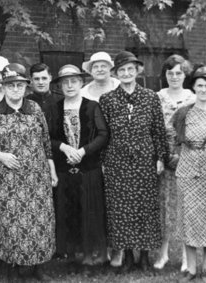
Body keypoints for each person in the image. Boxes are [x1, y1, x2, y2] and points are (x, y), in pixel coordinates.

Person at [0, 63, 58, 281]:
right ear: (4, 87)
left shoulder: (34, 109)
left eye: (19, 85)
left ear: (25, 87)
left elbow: (46, 141)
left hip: (35, 177)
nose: (15, 89)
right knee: (10, 222)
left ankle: (37, 266)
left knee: (38, 221)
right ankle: (12, 268)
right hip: (5, 180)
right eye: (11, 85)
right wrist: (0, 155)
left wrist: (51, 168)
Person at [99, 51, 168, 273]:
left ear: (137, 71)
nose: (127, 73)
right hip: (116, 161)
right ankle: (128, 256)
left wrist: (160, 157)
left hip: (145, 160)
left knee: (145, 208)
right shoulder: (107, 99)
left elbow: (158, 130)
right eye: (122, 70)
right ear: (116, 73)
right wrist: (103, 161)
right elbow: (103, 133)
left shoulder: (150, 97)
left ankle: (145, 256)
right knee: (121, 209)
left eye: (131, 69)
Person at [50, 65, 109, 267]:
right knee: (70, 212)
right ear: (59, 86)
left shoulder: (92, 106)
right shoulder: (55, 108)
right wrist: (65, 148)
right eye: (65, 82)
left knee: (89, 211)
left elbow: (103, 135)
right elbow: (47, 138)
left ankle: (90, 256)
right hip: (65, 170)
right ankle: (73, 255)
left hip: (88, 169)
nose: (69, 85)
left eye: (73, 81)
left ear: (81, 83)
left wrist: (82, 151)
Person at [172, 66, 206, 283]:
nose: (203, 89)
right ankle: (192, 269)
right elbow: (173, 138)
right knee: (189, 218)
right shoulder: (183, 112)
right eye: (199, 85)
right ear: (193, 87)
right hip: (188, 170)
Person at [81, 51, 122, 267]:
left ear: (110, 68)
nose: (99, 69)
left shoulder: (119, 86)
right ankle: (101, 247)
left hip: (118, 150)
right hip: (94, 152)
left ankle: (118, 249)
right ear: (90, 70)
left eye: (103, 65)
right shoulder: (84, 92)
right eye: (95, 66)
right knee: (99, 203)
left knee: (117, 202)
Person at [154, 55, 195, 270]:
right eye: (170, 73)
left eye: (179, 73)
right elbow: (153, 129)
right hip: (163, 157)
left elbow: (197, 131)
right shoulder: (157, 97)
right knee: (164, 206)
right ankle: (163, 254)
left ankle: (188, 257)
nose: (175, 77)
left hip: (187, 157)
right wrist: (161, 156)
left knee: (186, 206)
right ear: (165, 75)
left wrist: (183, 154)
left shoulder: (193, 98)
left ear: (185, 74)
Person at [28, 63, 62, 128]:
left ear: (50, 78)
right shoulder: (25, 102)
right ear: (31, 80)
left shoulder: (61, 100)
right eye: (36, 79)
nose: (40, 82)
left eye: (44, 78)